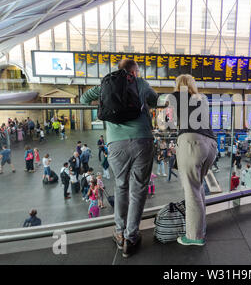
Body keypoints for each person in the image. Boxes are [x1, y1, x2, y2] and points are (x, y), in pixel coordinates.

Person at [81, 58, 158, 258]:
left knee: (121, 186)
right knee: (139, 188)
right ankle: (131, 237)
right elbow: (155, 100)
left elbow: (83, 99)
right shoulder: (140, 83)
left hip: (116, 144)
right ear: (135, 71)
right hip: (142, 139)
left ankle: (119, 232)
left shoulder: (106, 82)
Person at [164, 74, 217, 246]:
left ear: (177, 84)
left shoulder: (174, 97)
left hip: (192, 143)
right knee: (198, 186)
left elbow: (166, 122)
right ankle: (199, 228)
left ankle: (194, 237)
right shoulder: (202, 98)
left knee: (191, 191)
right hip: (210, 144)